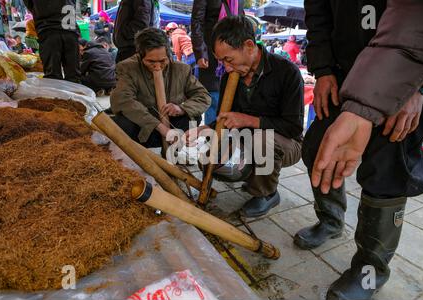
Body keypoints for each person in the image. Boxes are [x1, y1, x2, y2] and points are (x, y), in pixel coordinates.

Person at [295, 0, 423, 300]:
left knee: (386, 170)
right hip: (342, 76)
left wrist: (420, 85)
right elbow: (317, 14)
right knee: (318, 148)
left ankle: (370, 269)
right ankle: (331, 219)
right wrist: (323, 69)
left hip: (411, 77)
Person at [186, 16, 304, 217]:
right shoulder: (229, 77)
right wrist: (204, 129)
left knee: (262, 141)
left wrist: (249, 120)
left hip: (286, 142)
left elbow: (293, 127)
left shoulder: (286, 72)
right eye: (222, 61)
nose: (226, 67)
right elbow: (227, 118)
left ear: (249, 46)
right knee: (208, 156)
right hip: (246, 138)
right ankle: (250, 176)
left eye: (229, 59)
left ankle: (266, 194)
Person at [110, 27, 211, 150]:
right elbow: (123, 101)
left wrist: (182, 108)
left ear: (168, 54)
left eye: (162, 61)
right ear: (140, 56)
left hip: (173, 125)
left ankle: (177, 150)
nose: (157, 66)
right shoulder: (127, 68)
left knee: (193, 117)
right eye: (151, 61)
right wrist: (160, 127)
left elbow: (203, 96)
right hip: (144, 127)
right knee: (121, 123)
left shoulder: (181, 69)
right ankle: (138, 155)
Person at [191, 0, 244, 126]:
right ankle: (213, 137)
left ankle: (228, 138)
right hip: (211, 54)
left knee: (233, 95)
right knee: (214, 97)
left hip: (235, 53)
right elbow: (197, 21)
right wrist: (200, 51)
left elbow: (242, 22)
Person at [23, 0, 81, 83]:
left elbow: (30, 6)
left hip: (49, 31)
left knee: (53, 77)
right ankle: (76, 95)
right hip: (70, 31)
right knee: (74, 76)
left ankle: (60, 95)